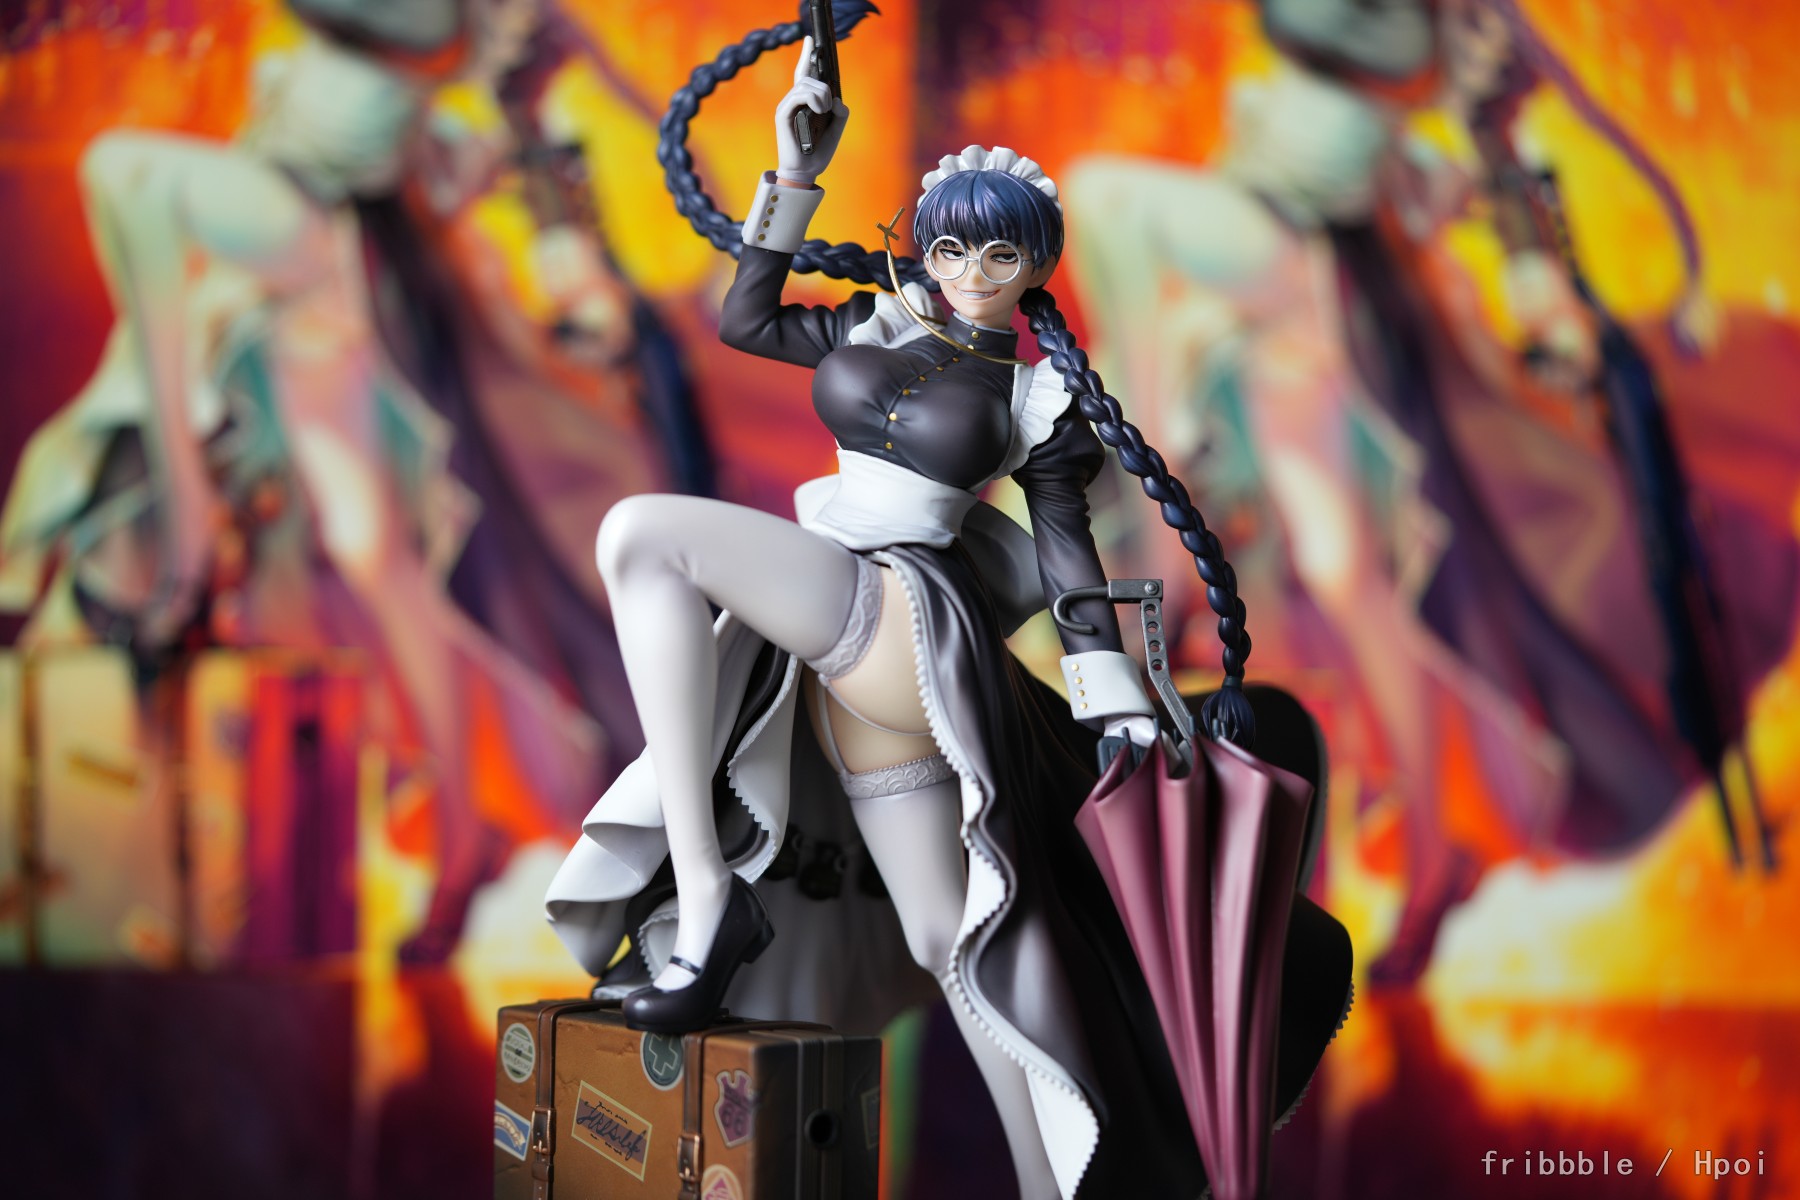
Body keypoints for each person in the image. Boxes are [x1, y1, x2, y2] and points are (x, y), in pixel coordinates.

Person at [547, 27, 1353, 1197]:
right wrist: (797, 173)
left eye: (1001, 254)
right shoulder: (875, 326)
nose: (974, 269)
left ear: (1036, 269)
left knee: (644, 536)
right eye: (955, 246)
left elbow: (1070, 565)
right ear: (928, 245)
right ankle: (1059, 1177)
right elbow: (747, 321)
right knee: (955, 946)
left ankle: (711, 901)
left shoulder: (1035, 398)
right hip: (861, 682)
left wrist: (1120, 715)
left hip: (899, 615)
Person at [1063, 0, 1793, 985]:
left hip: (1322, 269)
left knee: (1109, 205)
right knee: (1340, 575)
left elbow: (1489, 133)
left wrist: (1530, 263)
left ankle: (1163, 526)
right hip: (1275, 270)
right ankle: (1421, 847)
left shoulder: (1443, 32)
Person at [0, 0, 672, 961]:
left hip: (306, 234)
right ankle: (451, 843)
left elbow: (506, 122)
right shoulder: (430, 75)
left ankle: (450, 838)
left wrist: (539, 116)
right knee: (370, 556)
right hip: (305, 260)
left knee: (127, 177)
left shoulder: (461, 55)